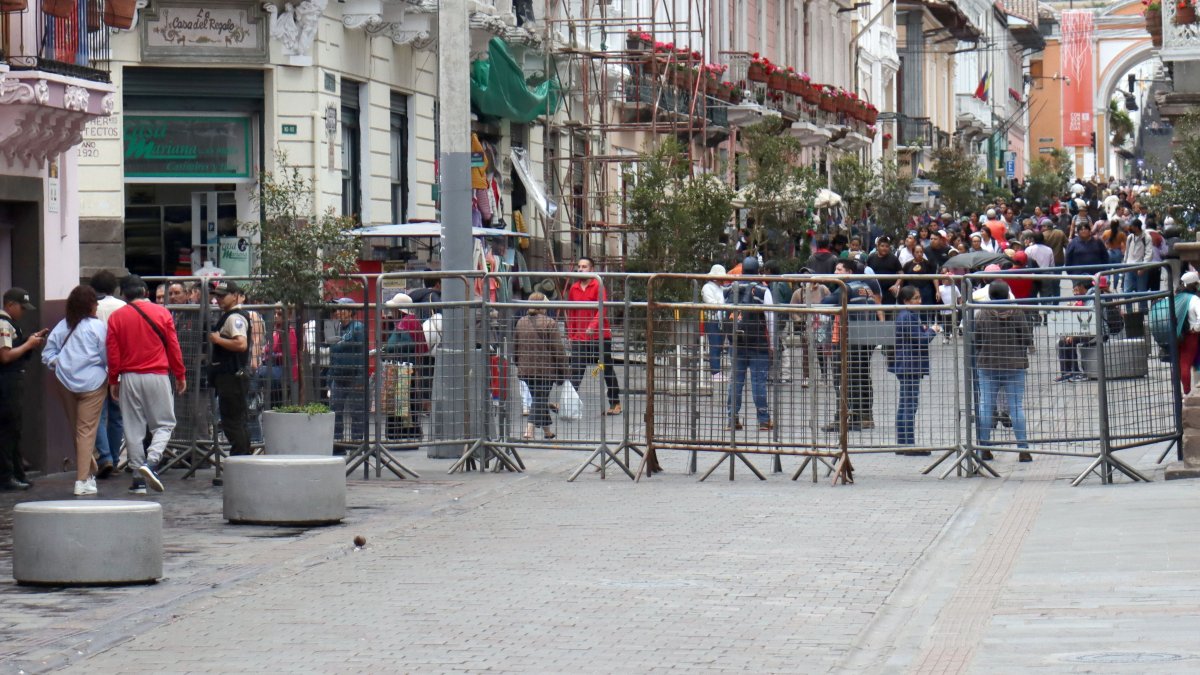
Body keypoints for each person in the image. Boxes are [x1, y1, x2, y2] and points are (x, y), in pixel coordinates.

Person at [106, 276, 187, 494]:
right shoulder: (162, 313)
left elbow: (113, 353)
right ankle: (151, 462)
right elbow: (173, 346)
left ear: (123, 294)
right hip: (158, 374)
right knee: (164, 424)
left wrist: (114, 380)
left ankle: (137, 479)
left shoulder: (116, 317)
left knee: (133, 428)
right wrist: (180, 374)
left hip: (129, 377)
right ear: (145, 291)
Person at [41, 286, 109, 496]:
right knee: (86, 430)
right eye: (95, 302)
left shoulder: (63, 326)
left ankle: (88, 471)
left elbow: (47, 353)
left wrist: (58, 363)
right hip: (94, 383)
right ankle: (82, 480)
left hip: (65, 381)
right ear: (89, 305)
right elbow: (107, 355)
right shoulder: (97, 327)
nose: (97, 305)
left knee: (76, 429)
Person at [974, 280, 1034, 462]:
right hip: (1014, 365)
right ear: (1008, 295)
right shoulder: (1017, 312)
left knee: (986, 406)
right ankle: (1023, 449)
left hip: (988, 365)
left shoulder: (982, 313)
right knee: (1016, 407)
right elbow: (1026, 337)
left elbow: (976, 339)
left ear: (990, 296)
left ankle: (984, 447)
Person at [0, 288, 48, 491]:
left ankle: (17, 473)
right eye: (21, 307)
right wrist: (29, 345)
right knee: (7, 430)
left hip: (13, 383)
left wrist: (30, 340)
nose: (23, 312)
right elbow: (5, 356)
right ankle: (7, 476)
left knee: (15, 429)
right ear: (10, 305)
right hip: (6, 384)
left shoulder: (11, 324)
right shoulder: (3, 323)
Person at [565, 257, 621, 416]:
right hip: (580, 337)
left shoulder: (598, 285)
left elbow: (602, 309)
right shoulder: (574, 288)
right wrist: (571, 334)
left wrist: (592, 326)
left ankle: (615, 402)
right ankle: (567, 400)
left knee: (605, 368)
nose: (581, 269)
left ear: (592, 269)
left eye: (584, 266)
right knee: (576, 369)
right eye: (579, 266)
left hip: (599, 336)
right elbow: (571, 312)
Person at [725, 256, 775, 431]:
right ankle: (763, 420)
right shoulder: (762, 290)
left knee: (735, 381)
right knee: (758, 382)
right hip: (758, 343)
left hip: (736, 342)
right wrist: (772, 344)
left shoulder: (730, 288)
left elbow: (721, 314)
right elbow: (771, 318)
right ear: (758, 270)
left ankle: (732, 419)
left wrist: (728, 337)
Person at [892, 286, 941, 453]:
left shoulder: (909, 315)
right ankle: (908, 444)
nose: (919, 301)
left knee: (906, 403)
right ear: (906, 301)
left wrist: (924, 330)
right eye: (915, 298)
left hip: (907, 364)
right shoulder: (908, 316)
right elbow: (920, 340)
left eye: (919, 297)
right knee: (909, 404)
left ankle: (903, 443)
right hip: (909, 364)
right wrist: (932, 332)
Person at [207, 280, 252, 457]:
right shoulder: (230, 315)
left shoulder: (235, 317)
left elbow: (241, 344)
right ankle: (243, 459)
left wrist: (218, 340)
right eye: (216, 296)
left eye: (222, 296)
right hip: (230, 376)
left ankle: (240, 460)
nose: (218, 299)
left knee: (232, 422)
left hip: (232, 377)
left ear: (235, 296)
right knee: (236, 421)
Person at [515, 292, 568, 440]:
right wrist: (564, 371)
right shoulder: (550, 323)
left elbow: (516, 346)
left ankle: (547, 431)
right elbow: (558, 349)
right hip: (545, 370)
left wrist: (518, 363)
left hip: (525, 369)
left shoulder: (520, 322)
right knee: (539, 398)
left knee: (539, 398)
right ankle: (529, 430)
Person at [89, 270, 126, 477]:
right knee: (116, 416)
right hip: (119, 368)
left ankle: (105, 458)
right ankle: (114, 457)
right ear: (115, 288)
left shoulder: (93, 308)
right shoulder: (123, 307)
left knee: (98, 416)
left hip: (97, 368)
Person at [381, 293, 429, 442]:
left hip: (403, 369)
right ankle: (407, 432)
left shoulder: (405, 324)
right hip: (406, 368)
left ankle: (404, 433)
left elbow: (405, 345)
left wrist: (388, 349)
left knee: (402, 403)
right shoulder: (410, 322)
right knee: (405, 402)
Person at [329, 297, 367, 444]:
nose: (338, 312)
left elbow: (336, 346)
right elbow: (333, 350)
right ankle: (337, 442)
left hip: (355, 376)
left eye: (341, 308)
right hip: (338, 376)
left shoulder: (357, 327)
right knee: (335, 411)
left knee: (357, 412)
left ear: (350, 311)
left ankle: (356, 442)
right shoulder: (334, 326)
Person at [701, 264, 728, 380]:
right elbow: (711, 302)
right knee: (715, 345)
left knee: (720, 345)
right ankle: (715, 372)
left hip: (721, 319)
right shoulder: (707, 288)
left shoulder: (721, 288)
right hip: (712, 319)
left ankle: (717, 370)